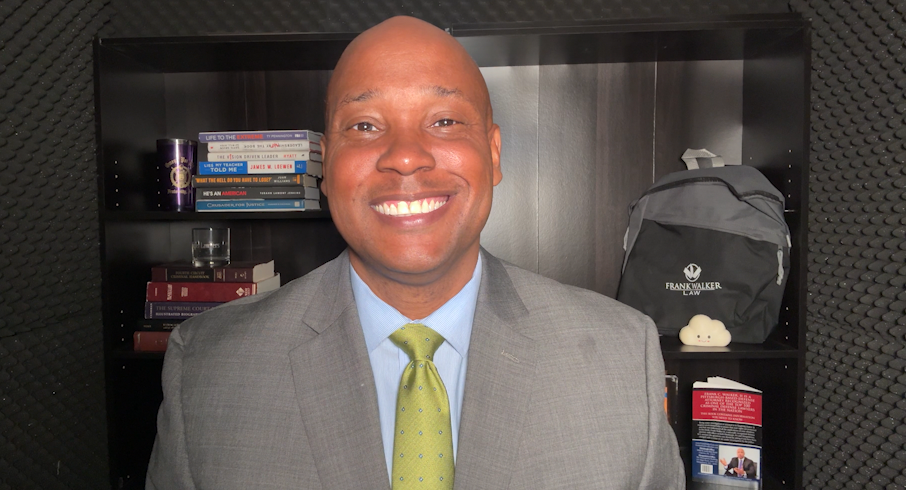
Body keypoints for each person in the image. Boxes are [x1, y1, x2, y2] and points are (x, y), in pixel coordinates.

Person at [146, 15, 684, 489]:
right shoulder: (209, 368)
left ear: (493, 153)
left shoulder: (621, 358)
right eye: (365, 125)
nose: (405, 156)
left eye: (444, 121)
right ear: (326, 166)